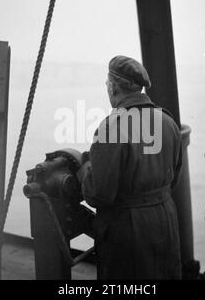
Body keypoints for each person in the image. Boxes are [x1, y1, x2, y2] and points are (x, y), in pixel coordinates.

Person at [77, 55, 182, 279]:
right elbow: (175, 176)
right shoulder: (168, 121)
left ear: (114, 88)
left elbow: (99, 195)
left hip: (129, 229)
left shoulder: (112, 127)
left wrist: (85, 169)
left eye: (107, 84)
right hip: (165, 220)